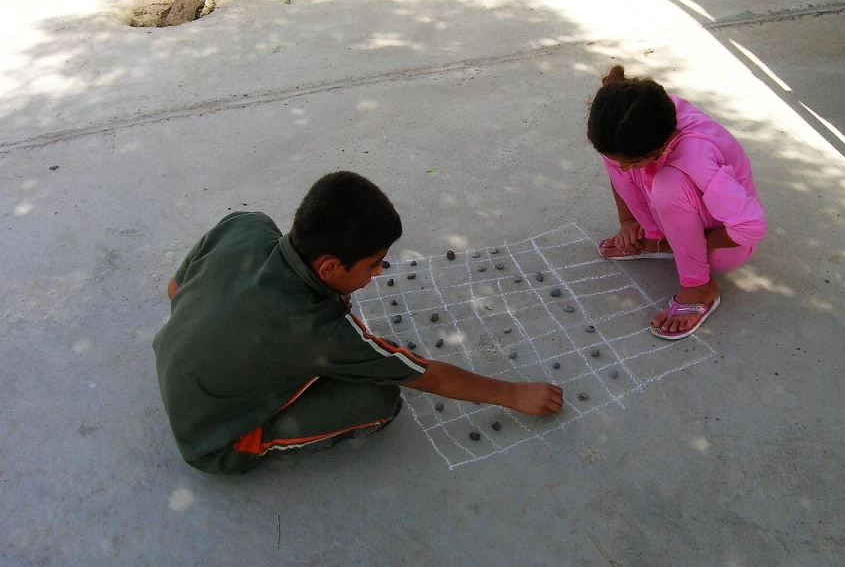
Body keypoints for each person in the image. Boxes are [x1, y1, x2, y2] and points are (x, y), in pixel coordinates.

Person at [154, 171, 563, 474]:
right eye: (371, 263)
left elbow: (176, 289)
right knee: (378, 401)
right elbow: (426, 377)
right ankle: (250, 442)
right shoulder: (320, 332)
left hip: (172, 361)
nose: (379, 271)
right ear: (330, 266)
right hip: (210, 440)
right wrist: (512, 393)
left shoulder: (244, 225)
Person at [587, 65, 766, 340]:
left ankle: (700, 288)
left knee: (669, 187)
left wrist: (688, 244)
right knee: (619, 154)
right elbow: (621, 161)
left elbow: (750, 227)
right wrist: (629, 222)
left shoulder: (695, 155)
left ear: (658, 147)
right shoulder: (641, 117)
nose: (623, 170)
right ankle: (652, 234)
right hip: (676, 218)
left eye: (632, 162)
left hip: (724, 244)